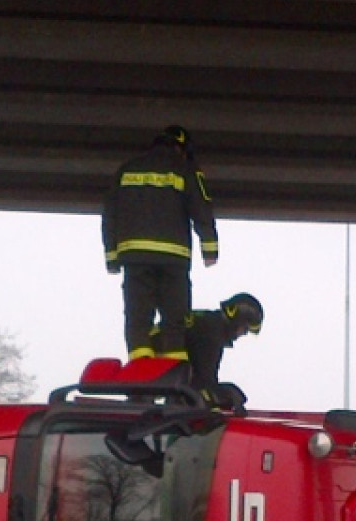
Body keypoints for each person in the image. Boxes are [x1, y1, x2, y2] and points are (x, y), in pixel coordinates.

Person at [102, 126, 218, 360]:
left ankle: (139, 371)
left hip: (135, 256)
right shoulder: (186, 170)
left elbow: (110, 215)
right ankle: (173, 373)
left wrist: (112, 256)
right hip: (173, 257)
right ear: (181, 148)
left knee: (138, 317)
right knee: (175, 319)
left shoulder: (127, 170)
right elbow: (201, 209)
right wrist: (210, 248)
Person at [169, 292, 263, 409]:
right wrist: (217, 405)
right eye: (245, 328)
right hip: (158, 373)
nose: (243, 334)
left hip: (162, 373)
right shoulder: (211, 334)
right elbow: (204, 378)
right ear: (235, 320)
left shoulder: (209, 323)